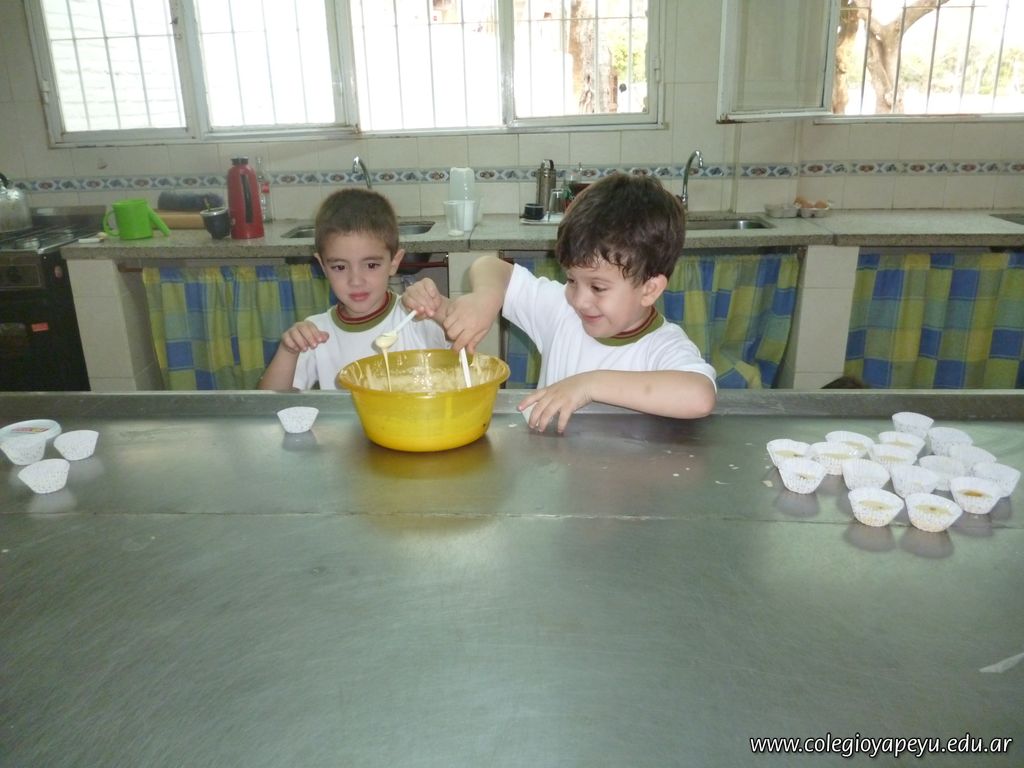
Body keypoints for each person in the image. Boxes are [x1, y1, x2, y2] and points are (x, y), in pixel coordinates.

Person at [403, 172, 717, 432]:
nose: (579, 300)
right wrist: (480, 301)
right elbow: (490, 267)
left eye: (598, 287)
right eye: (571, 280)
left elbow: (699, 396)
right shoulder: (561, 312)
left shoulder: (662, 346)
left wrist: (588, 385)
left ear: (649, 289)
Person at [258, 189, 447, 391]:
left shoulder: (415, 317)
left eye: (371, 265)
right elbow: (269, 400)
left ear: (394, 262)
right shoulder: (316, 332)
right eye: (340, 267)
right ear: (323, 266)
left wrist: (439, 306)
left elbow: (463, 334)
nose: (355, 281)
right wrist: (288, 351)